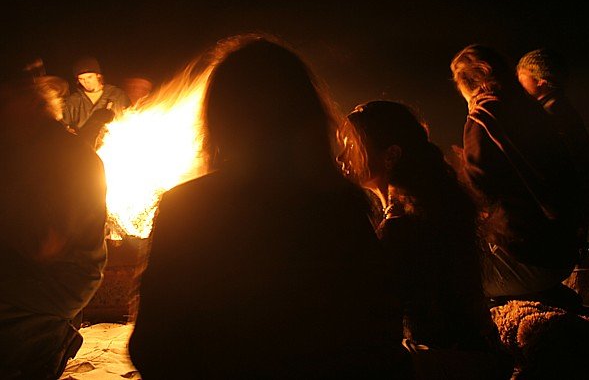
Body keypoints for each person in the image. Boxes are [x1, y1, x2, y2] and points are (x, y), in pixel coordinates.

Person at [128, 34, 410, 379]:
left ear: (219, 118)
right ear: (307, 117)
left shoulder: (187, 206)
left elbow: (151, 345)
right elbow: (377, 335)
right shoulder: (341, 207)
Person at [337, 100, 513, 379]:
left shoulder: (403, 226)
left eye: (352, 147)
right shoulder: (429, 205)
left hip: (458, 362)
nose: (341, 157)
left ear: (391, 155)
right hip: (480, 352)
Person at [450, 44, 584, 303]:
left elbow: (475, 193)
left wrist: (459, 170)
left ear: (467, 84)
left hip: (535, 260)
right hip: (565, 249)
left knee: (448, 277)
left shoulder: (484, 116)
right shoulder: (531, 109)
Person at [0, 68, 107, 379]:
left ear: (34, 103)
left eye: (6, 103)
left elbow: (43, 243)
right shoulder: (21, 151)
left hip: (60, 276)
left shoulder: (68, 155)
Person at [517, 48, 589, 247]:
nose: (518, 84)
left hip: (567, 208)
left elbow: (561, 165)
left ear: (541, 81)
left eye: (522, 78)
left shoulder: (552, 114)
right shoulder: (560, 108)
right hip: (575, 207)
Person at [62, 56, 130, 148]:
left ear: (98, 75)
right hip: (84, 151)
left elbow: (130, 121)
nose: (86, 82)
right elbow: (63, 127)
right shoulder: (72, 102)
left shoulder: (117, 96)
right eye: (81, 79)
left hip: (113, 147)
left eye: (89, 77)